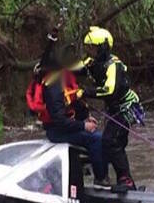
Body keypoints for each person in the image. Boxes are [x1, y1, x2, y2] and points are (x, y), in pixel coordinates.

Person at [29, 31, 110, 188]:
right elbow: (59, 120)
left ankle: (97, 174)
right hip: (57, 132)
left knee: (101, 136)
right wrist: (83, 126)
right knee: (97, 139)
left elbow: (74, 103)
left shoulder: (61, 81)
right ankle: (101, 180)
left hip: (65, 127)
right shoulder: (52, 87)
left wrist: (85, 118)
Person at [73, 26, 144, 191]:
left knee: (111, 142)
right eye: (90, 48)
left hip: (127, 108)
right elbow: (76, 69)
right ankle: (119, 179)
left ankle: (126, 181)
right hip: (115, 109)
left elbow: (110, 90)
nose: (91, 52)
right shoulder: (93, 62)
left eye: (94, 48)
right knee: (112, 142)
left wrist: (85, 92)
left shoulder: (114, 65)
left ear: (103, 47)